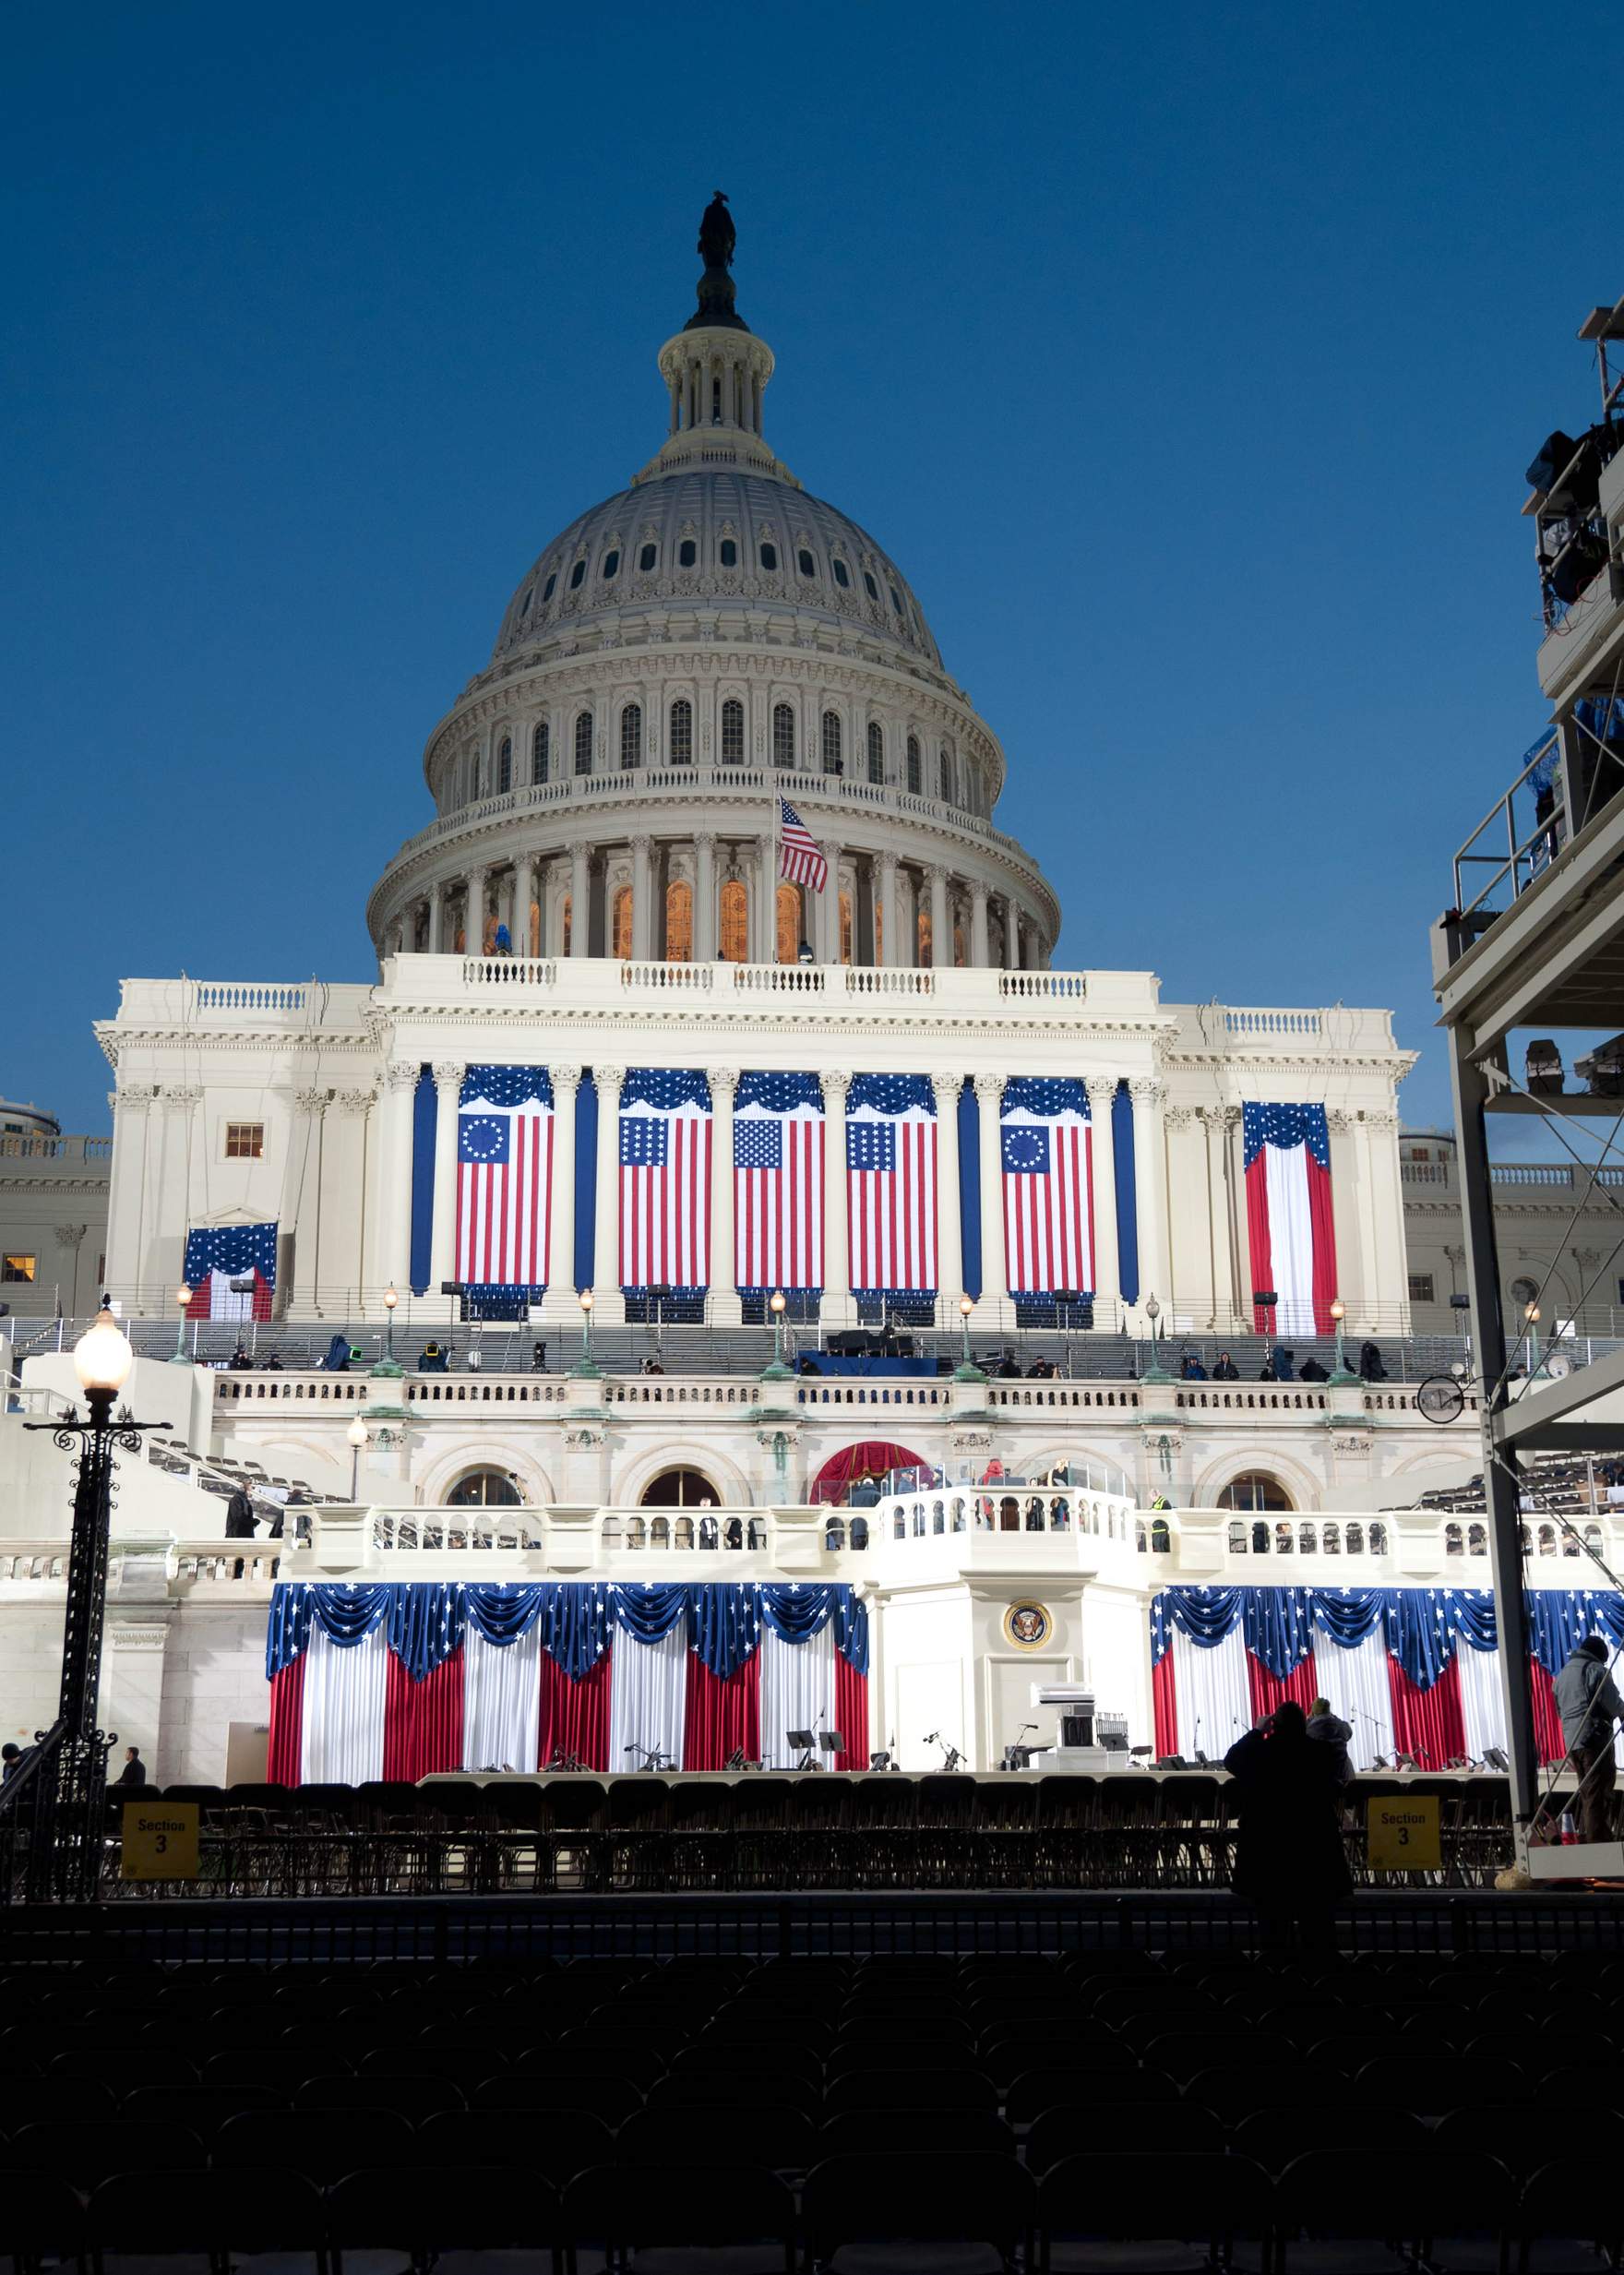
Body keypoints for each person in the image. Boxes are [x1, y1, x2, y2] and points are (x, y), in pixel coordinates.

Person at [1224, 1700, 1351, 1948]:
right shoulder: (1320, 1754)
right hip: (1314, 1853)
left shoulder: (1260, 1752)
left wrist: (1257, 1730)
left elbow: (1232, 1759)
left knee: (1273, 1932)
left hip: (1269, 1855)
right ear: (1304, 1724)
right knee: (1319, 1931)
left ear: (1274, 1725)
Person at [1554, 1635, 1624, 1844]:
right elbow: (1612, 1702)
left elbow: (1560, 1712)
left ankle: (1594, 1839)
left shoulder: (1562, 1676)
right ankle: (1599, 1845)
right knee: (1598, 1793)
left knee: (1587, 1794)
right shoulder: (1595, 1670)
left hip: (1573, 1742)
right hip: (1594, 1741)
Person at [1306, 1696, 1354, 1785]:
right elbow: (1349, 1733)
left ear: (1313, 1712)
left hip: (1321, 1777)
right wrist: (1333, 1716)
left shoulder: (1309, 1729)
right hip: (1344, 1775)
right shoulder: (1341, 1726)